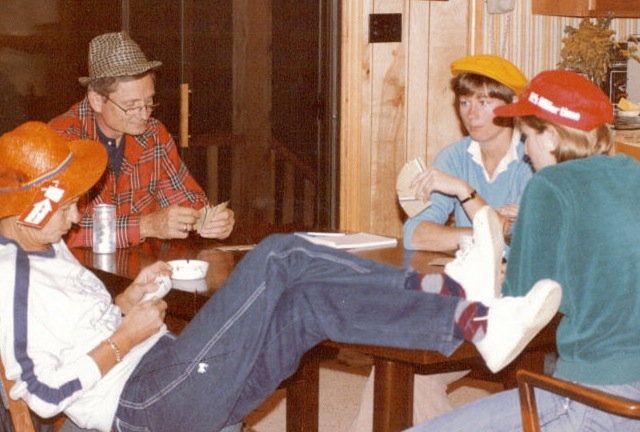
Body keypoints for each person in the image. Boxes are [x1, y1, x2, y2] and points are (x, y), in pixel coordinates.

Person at [0, 121, 561, 432]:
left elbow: (74, 327)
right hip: (145, 405)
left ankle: (475, 318)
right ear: (30, 208)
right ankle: (461, 297)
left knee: (306, 304)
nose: (78, 214)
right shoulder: (7, 275)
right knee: (277, 256)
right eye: (68, 204)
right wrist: (127, 336)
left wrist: (127, 300)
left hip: (164, 374)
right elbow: (43, 396)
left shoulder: (46, 249)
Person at [408, 70, 640, 432]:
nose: (526, 151)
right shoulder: (631, 170)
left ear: (550, 135)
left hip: (593, 395)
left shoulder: (549, 183)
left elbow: (519, 301)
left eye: (528, 137)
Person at [48, 31, 234, 249]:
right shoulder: (60, 140)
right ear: (97, 100)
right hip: (76, 272)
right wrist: (145, 226)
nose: (144, 114)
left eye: (149, 102)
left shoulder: (154, 135)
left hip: (138, 270)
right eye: (131, 105)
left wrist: (212, 219)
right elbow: (57, 232)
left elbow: (186, 198)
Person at [403, 54, 533, 252]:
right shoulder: (454, 157)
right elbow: (414, 235)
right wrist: (490, 235)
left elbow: (528, 244)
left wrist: (463, 190)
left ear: (513, 105)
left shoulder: (532, 159)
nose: (471, 114)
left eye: (484, 103)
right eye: (465, 103)